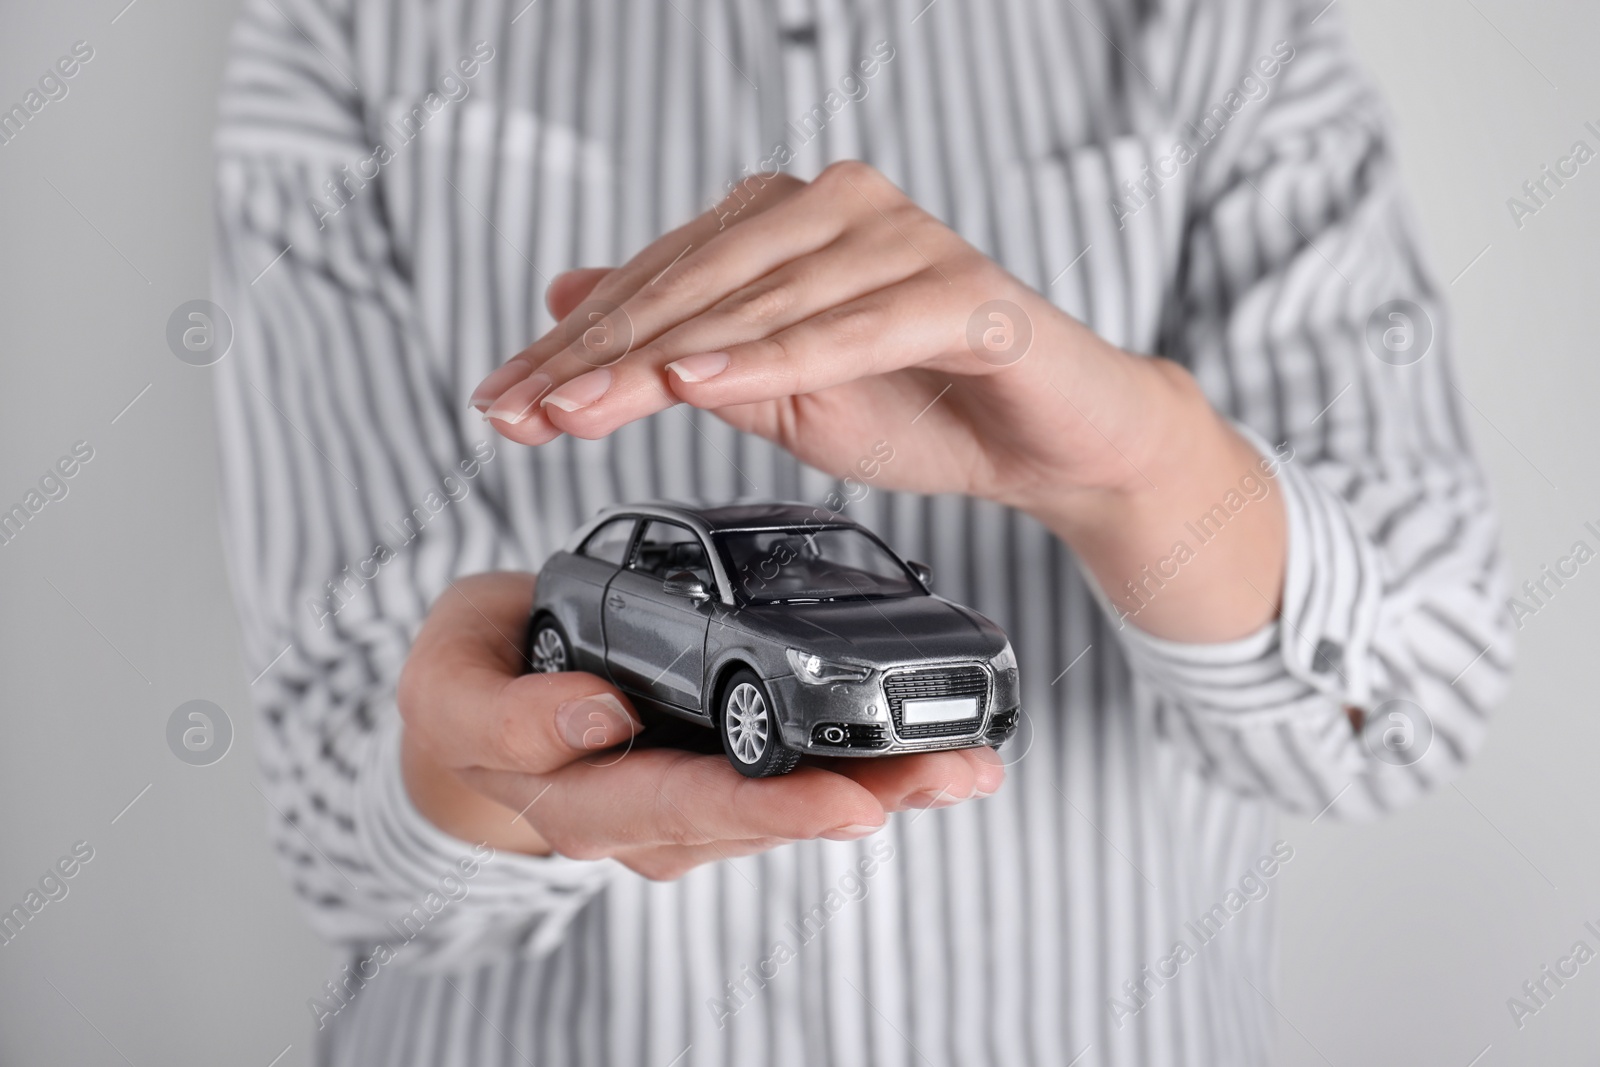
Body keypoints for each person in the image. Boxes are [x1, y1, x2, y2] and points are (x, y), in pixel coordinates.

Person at [212, 0, 1512, 1063]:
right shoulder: (344, 30)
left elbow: (1412, 706)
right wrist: (484, 778)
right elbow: (346, 843)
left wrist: (1140, 467)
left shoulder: (1223, 26)